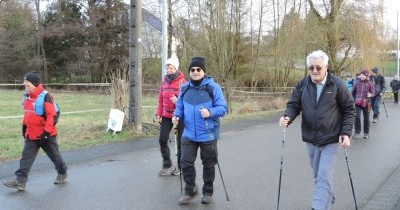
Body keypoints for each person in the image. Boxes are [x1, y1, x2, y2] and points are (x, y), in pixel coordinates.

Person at [279, 50, 355, 210]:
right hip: (311, 138)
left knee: (324, 175)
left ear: (326, 67)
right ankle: (329, 197)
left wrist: (345, 133)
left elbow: (349, 109)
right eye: (311, 67)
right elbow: (294, 105)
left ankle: (319, 206)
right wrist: (287, 117)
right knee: (317, 175)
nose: (314, 71)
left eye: (318, 68)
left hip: (332, 137)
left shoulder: (336, 84)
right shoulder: (302, 84)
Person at [172, 57, 227, 205]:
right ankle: (190, 190)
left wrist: (210, 112)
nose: (195, 72)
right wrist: (176, 116)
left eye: (198, 69)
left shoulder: (213, 87)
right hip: (189, 133)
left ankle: (207, 192)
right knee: (185, 162)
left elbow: (223, 108)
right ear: (189, 72)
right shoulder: (185, 88)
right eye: (192, 70)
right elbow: (180, 107)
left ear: (203, 71)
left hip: (208, 133)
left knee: (208, 163)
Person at [3, 71, 68, 191]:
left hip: (46, 135)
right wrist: (24, 126)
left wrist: (47, 133)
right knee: (25, 158)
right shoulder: (27, 96)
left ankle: (62, 172)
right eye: (24, 82)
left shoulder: (45, 97)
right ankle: (20, 181)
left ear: (34, 83)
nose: (24, 84)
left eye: (27, 82)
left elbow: (51, 116)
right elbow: (28, 113)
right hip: (31, 134)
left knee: (55, 156)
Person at [155, 56, 186, 176]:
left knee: (180, 143)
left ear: (176, 68)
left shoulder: (182, 82)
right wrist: (158, 114)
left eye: (171, 68)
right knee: (162, 140)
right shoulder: (164, 82)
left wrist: (177, 100)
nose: (169, 70)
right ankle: (167, 164)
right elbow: (160, 100)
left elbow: (187, 101)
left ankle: (180, 167)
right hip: (167, 116)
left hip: (179, 117)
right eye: (167, 68)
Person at [351, 70, 375, 139]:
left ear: (366, 76)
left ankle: (366, 133)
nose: (361, 76)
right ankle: (357, 132)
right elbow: (352, 92)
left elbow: (373, 93)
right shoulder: (356, 82)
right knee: (357, 117)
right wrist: (353, 100)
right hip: (357, 103)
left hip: (367, 103)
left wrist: (370, 95)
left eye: (363, 75)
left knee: (366, 118)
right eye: (361, 75)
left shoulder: (370, 83)